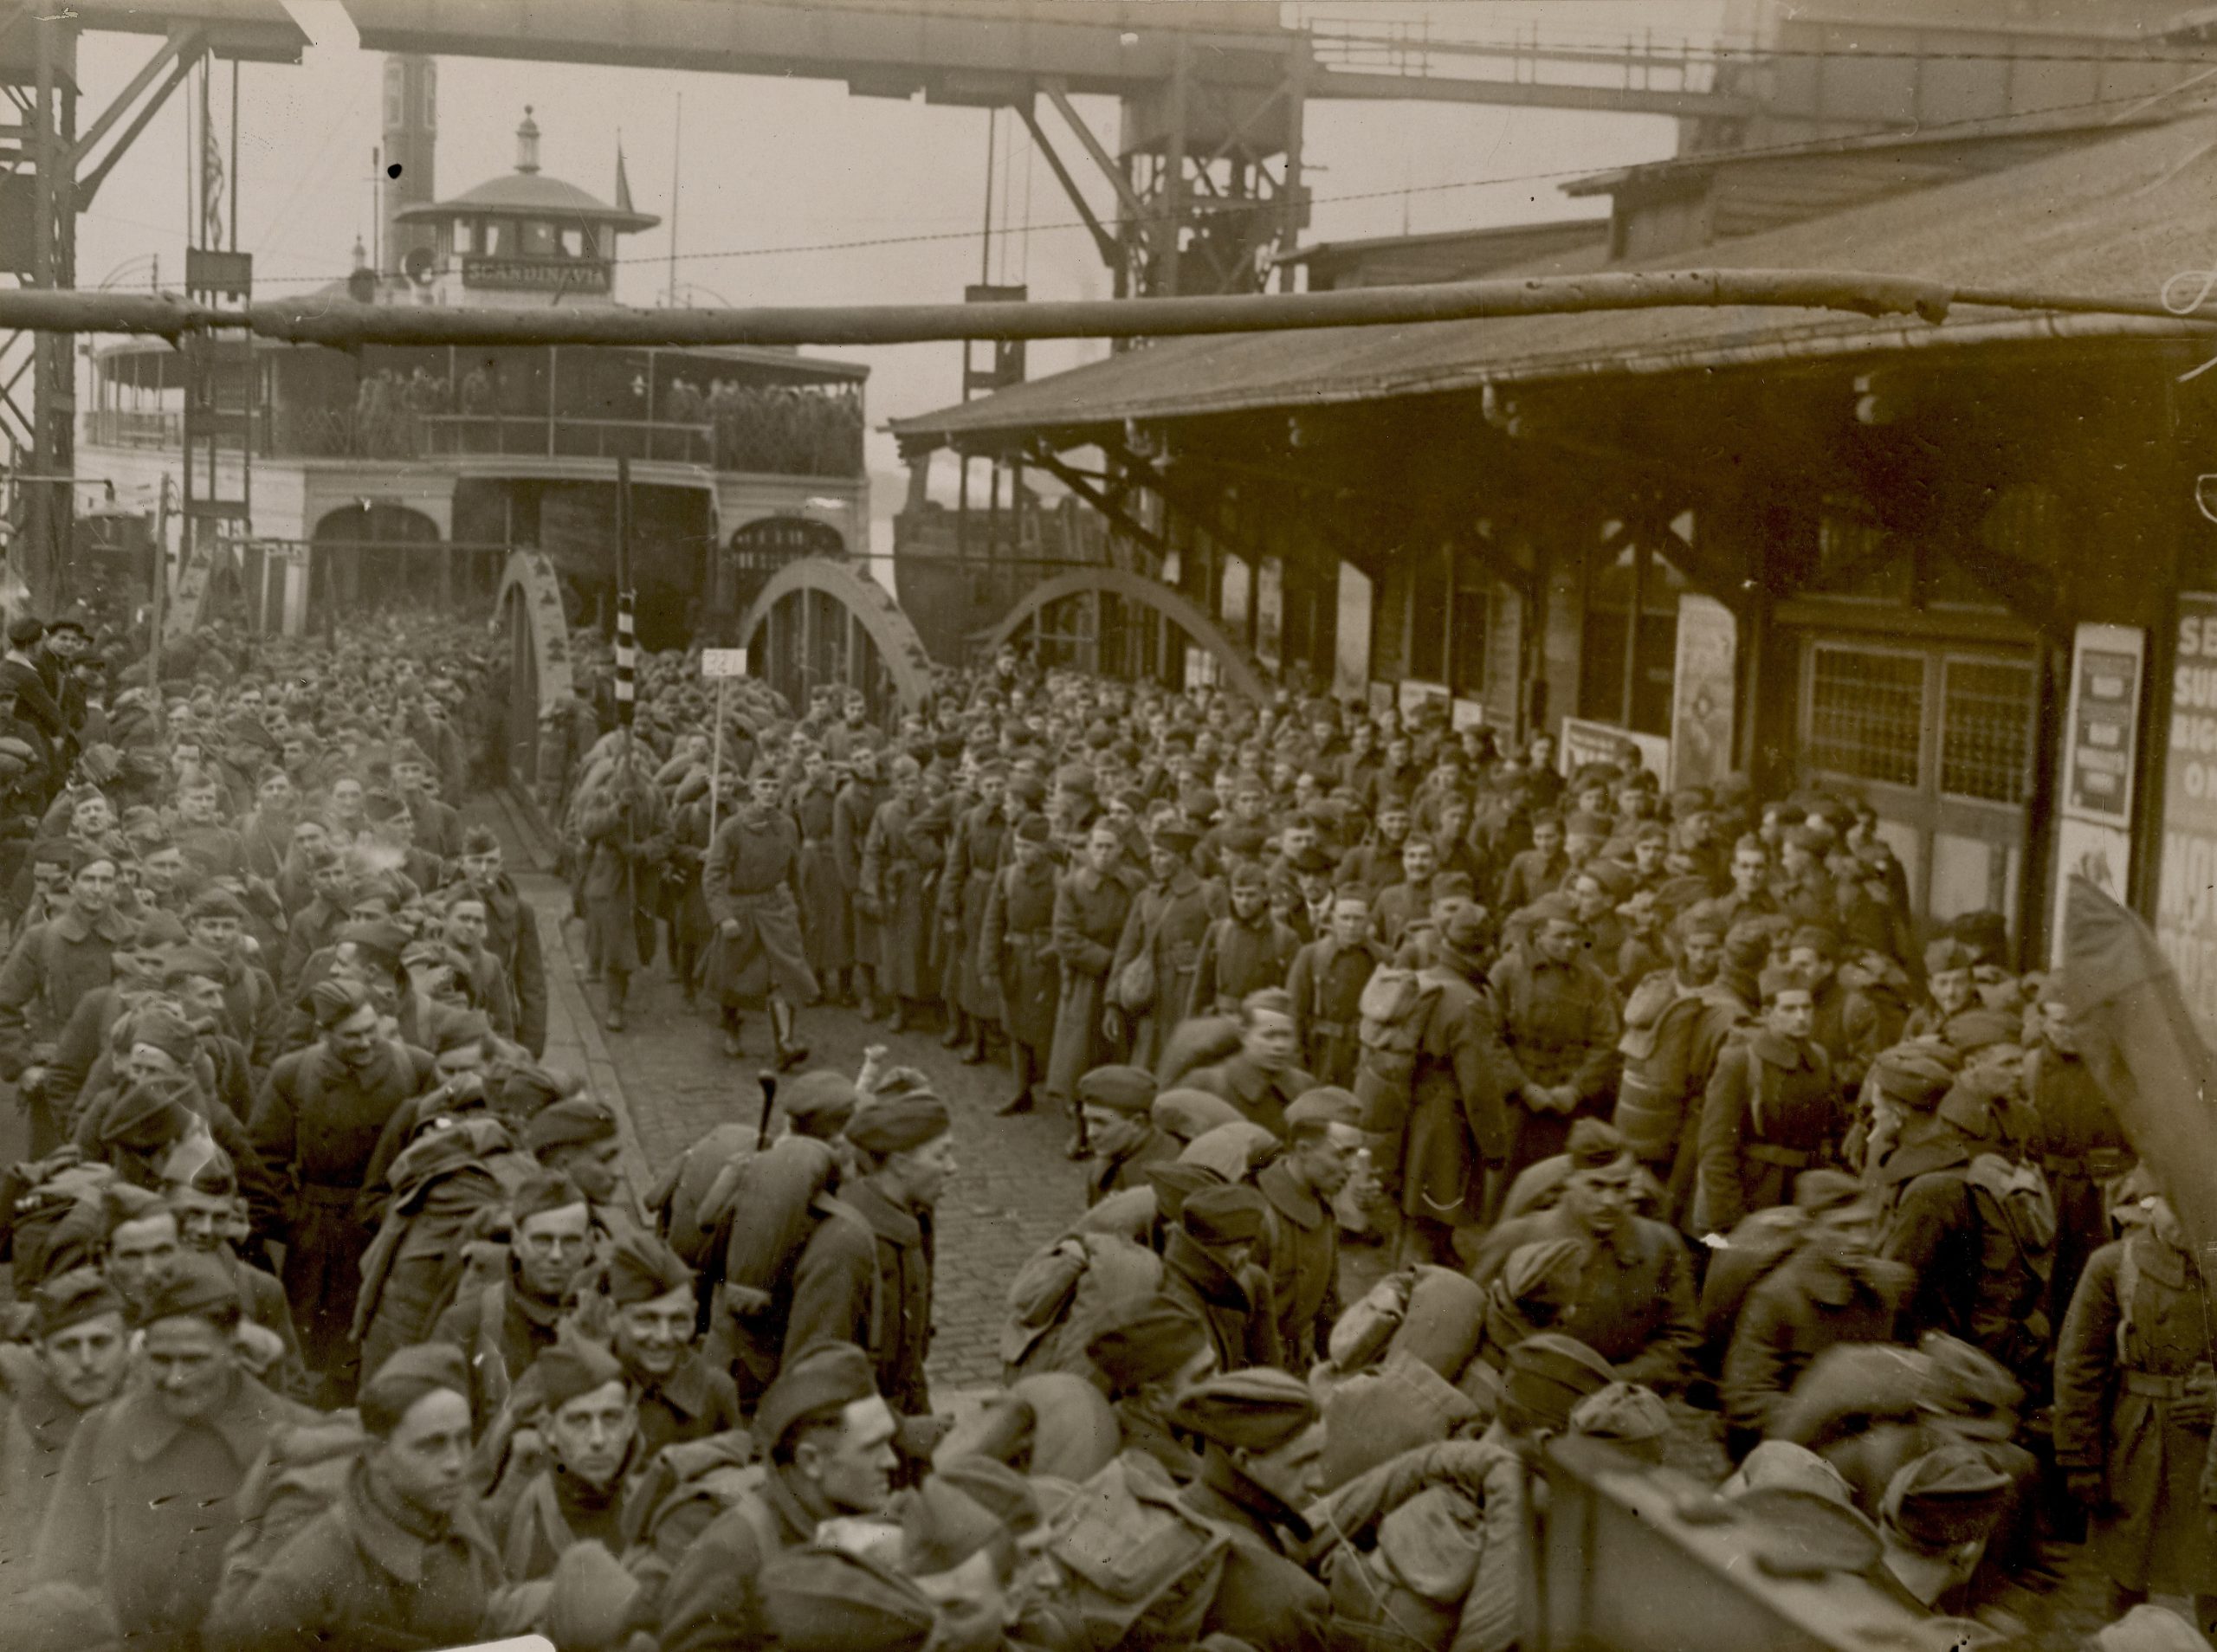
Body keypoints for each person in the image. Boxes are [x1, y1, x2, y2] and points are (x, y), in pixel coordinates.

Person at [34, 1251, 313, 1647]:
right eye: (161, 1360)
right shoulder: (102, 1430)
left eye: (195, 1360)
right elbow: (61, 1577)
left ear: (234, 1348)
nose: (176, 1379)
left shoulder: (297, 1438)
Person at [206, 1343, 510, 1652]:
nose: (455, 1463)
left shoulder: (459, 1508)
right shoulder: (323, 1556)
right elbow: (234, 1643)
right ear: (377, 1454)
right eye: (432, 1445)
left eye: (463, 1439)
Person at [249, 978, 439, 1395]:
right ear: (325, 1033)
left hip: (389, 1229)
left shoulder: (417, 1069)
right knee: (316, 1355)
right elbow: (264, 1162)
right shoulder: (293, 1074)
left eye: (372, 1030)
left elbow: (438, 1148)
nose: (368, 1043)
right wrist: (295, 1220)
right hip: (321, 1239)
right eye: (352, 1036)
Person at [659, 1343, 897, 1652]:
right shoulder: (731, 1556)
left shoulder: (868, 1523)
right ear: (811, 1461)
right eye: (872, 1448)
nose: (891, 1461)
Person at [2055, 1173, 2217, 1623]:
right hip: (2137, 1441)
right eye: (2173, 1205)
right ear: (2150, 1205)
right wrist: (2079, 1457)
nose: (2187, 1221)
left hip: (2211, 1449)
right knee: (2127, 1570)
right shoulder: (2114, 1265)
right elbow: (2078, 1365)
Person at [1469, 1120, 1702, 1393]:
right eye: (1596, 1186)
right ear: (1569, 1180)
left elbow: (1681, 1340)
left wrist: (1612, 1382)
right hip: (1526, 1393)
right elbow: (1473, 1325)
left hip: (1619, 1398)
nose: (1609, 1201)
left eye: (1621, 1187)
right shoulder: (1516, 1238)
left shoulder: (1660, 1245)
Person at [0, 1270, 130, 1594]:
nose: (86, 1361)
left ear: (128, 1347)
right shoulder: (19, 1428)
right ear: (42, 1358)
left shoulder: (158, 1411)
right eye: (68, 1346)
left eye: (100, 1342)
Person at [432, 1171, 597, 1423]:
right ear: (517, 1242)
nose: (556, 1255)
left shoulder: (608, 1317)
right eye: (542, 1240)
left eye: (571, 1241)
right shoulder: (466, 1323)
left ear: (588, 1245)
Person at [1693, 965, 1840, 1234]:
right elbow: (1716, 1149)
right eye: (1789, 1009)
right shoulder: (1739, 1061)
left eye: (1806, 1008)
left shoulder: (1820, 1059)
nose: (1801, 1017)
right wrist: (1732, 1222)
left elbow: (1833, 1129)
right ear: (1767, 1013)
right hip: (1756, 1196)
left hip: (1807, 1197)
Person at [495, 1339, 639, 1581]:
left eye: (611, 1418)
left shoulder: (652, 1507)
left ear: (631, 1423)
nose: (598, 1439)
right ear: (548, 1430)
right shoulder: (513, 1520)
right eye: (579, 1421)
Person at [702, 770, 816, 1068]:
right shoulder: (733, 828)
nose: (769, 792)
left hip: (774, 909)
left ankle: (785, 1045)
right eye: (764, 786)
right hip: (740, 909)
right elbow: (712, 877)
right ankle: (730, 1028)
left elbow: (794, 874)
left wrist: (802, 910)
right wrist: (723, 916)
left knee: (784, 974)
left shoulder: (788, 826)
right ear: (752, 790)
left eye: (775, 787)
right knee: (734, 977)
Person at [604, 1229, 742, 1455]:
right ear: (612, 1316)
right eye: (647, 1319)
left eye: (678, 1320)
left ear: (694, 1315)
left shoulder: (715, 1391)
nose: (664, 1337)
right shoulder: (576, 1379)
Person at [1047, 819, 1136, 1158]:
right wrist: (1110, 959)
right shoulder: (1072, 886)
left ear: (1121, 851)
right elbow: (1065, 937)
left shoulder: (1133, 885)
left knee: (1117, 1055)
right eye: (1096, 846)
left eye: (1109, 846)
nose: (1101, 853)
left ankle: (1119, 1131)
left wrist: (1128, 966)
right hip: (1088, 983)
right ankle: (1081, 1131)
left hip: (1123, 983)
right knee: (1080, 1059)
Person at [1255, 1087, 1361, 1366]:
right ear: (1303, 1150)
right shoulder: (1258, 1214)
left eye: (1355, 1155)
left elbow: (1328, 1308)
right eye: (1342, 1155)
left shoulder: (1323, 1213)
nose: (1352, 1168)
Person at [576, 738, 670, 1032]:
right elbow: (588, 827)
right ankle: (614, 1006)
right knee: (617, 943)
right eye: (628, 763)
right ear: (615, 766)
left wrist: (644, 851)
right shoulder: (602, 794)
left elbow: (667, 835)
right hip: (610, 877)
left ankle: (623, 989)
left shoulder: (654, 796)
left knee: (641, 940)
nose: (634, 768)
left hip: (642, 876)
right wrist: (617, 809)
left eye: (640, 763)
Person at [979, 811, 1060, 1117]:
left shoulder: (1058, 877)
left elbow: (1066, 926)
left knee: (1047, 1028)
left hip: (1046, 966)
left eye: (1029, 847)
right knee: (1015, 1026)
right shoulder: (1007, 876)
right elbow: (993, 921)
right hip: (1014, 961)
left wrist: (1047, 953)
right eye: (1018, 845)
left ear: (1043, 849)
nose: (1021, 852)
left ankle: (1058, 1090)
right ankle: (1021, 1090)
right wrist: (988, 963)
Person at [1183, 987, 1315, 1137]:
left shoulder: (1305, 1087)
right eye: (1269, 1036)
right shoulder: (1208, 1084)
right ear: (1244, 1035)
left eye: (1286, 1035)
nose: (1280, 1045)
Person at [1077, 1063, 1176, 1207]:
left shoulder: (1166, 1179)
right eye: (1087, 1120)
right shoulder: (1104, 1165)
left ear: (1138, 1123)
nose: (1090, 1133)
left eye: (1101, 1123)